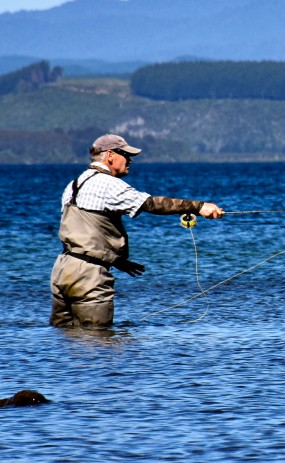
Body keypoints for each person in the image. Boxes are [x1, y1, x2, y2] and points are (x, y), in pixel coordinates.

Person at [50, 134, 225, 328]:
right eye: (126, 154)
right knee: (98, 342)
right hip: (88, 276)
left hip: (62, 270)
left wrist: (116, 260)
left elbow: (84, 233)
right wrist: (198, 207)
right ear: (110, 156)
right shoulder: (108, 184)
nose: (130, 160)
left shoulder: (73, 185)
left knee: (66, 341)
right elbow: (151, 204)